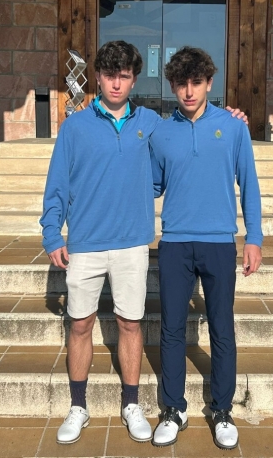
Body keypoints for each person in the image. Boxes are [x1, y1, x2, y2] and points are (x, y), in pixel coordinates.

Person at [40, 40, 247, 445]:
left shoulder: (151, 123)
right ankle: (78, 406)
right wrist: (52, 232)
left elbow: (188, 133)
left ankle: (131, 404)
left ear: (135, 80)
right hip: (85, 242)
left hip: (133, 243)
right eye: (109, 75)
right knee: (79, 324)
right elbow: (57, 184)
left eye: (124, 76)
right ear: (97, 78)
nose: (116, 84)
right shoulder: (75, 127)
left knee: (130, 323)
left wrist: (232, 117)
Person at [149, 46, 263, 450]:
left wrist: (254, 238)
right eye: (181, 83)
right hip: (176, 243)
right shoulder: (161, 133)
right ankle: (173, 409)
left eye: (196, 82)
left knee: (221, 328)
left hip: (218, 243)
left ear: (209, 83)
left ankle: (222, 410)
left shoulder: (233, 128)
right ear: (172, 86)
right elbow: (152, 185)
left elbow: (249, 183)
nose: (189, 91)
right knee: (172, 328)